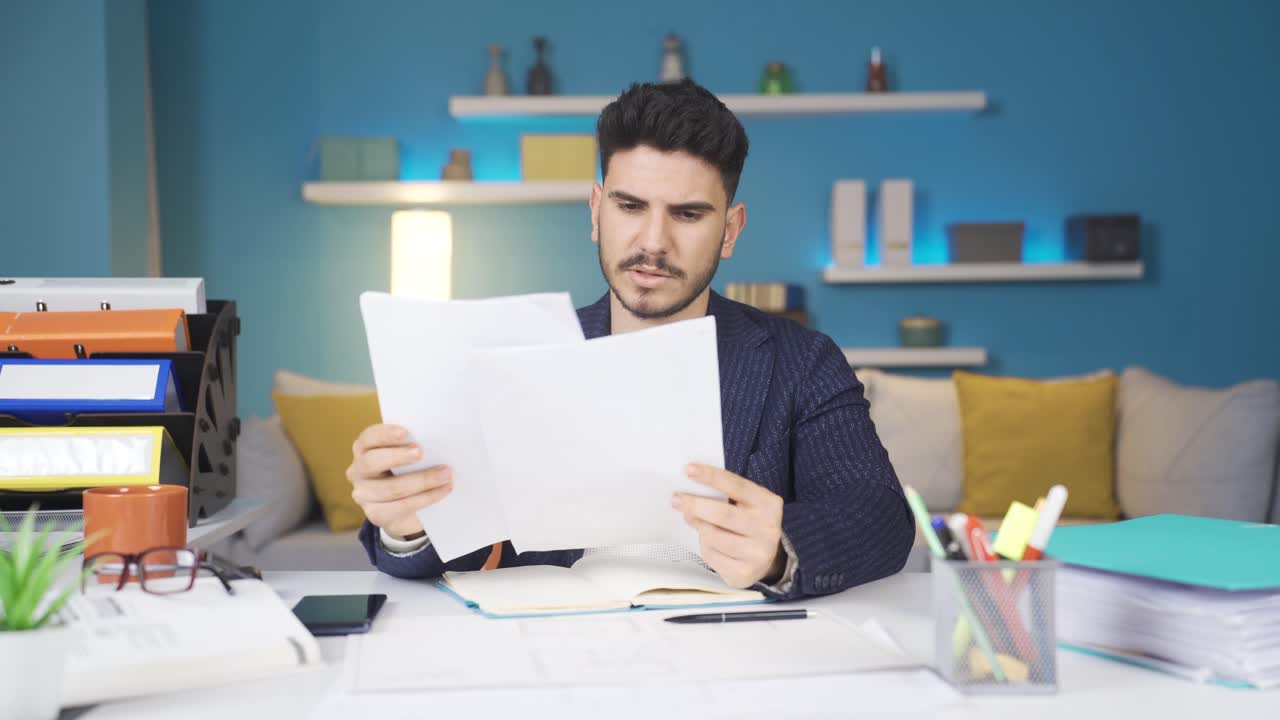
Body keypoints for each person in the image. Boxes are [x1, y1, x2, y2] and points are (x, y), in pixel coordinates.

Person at [349, 80, 914, 599]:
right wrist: (407, 525)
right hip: (558, 655)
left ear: (730, 231)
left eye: (688, 214)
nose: (654, 241)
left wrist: (778, 550)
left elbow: (881, 515)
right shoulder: (522, 356)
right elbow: (462, 548)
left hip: (732, 653)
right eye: (630, 206)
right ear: (597, 211)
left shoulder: (802, 361)